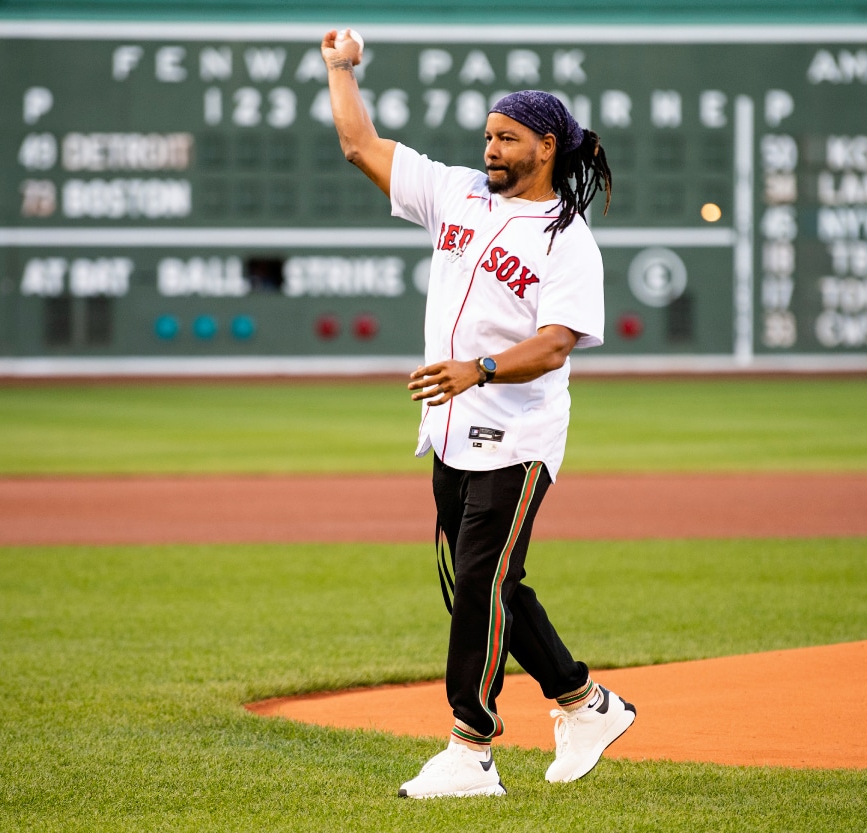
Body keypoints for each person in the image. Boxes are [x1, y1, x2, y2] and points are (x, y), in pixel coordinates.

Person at [322, 29, 636, 799]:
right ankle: (584, 703)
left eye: (508, 137)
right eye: (488, 135)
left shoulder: (567, 240)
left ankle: (472, 748)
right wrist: (339, 69)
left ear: (547, 146)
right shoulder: (457, 190)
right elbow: (359, 143)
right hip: (451, 431)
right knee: (487, 582)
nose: (491, 147)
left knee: (479, 582)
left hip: (518, 435)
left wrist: (479, 369)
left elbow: (558, 342)